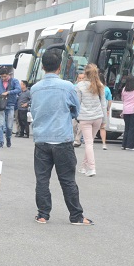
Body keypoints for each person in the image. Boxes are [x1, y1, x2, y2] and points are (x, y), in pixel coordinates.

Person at [30, 49, 93, 225]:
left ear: (42, 67)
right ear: (59, 67)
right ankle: (76, 216)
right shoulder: (67, 87)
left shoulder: (35, 89)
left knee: (42, 179)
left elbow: (34, 111)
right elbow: (76, 110)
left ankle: (43, 214)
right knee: (67, 180)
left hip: (42, 139)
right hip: (62, 139)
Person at [75, 64, 107, 177]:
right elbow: (104, 104)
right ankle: (83, 167)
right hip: (98, 117)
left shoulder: (80, 85)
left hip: (85, 117)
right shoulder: (100, 85)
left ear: (85, 73)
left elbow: (77, 103)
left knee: (88, 143)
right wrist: (104, 119)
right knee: (90, 142)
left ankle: (92, 168)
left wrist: (75, 116)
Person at [0, 67, 21, 147]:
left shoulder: (14, 81)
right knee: (0, 125)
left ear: (9, 75)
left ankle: (8, 138)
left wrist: (8, 92)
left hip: (11, 105)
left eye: (5, 76)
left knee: (9, 126)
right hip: (1, 105)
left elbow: (18, 90)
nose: (3, 78)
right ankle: (0, 142)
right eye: (2, 77)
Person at [99, 73, 112, 150]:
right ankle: (104, 144)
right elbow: (109, 100)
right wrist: (108, 109)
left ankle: (90, 142)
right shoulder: (107, 89)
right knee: (102, 127)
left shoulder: (93, 87)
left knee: (92, 127)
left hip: (94, 110)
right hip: (103, 110)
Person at [72, 72, 86, 147]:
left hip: (83, 109)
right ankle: (74, 138)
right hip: (74, 108)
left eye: (82, 78)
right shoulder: (73, 87)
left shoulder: (87, 87)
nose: (80, 80)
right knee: (73, 125)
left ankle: (77, 140)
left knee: (81, 126)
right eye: (79, 78)